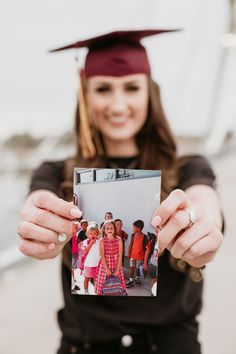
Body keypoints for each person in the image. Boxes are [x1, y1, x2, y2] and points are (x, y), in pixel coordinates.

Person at [18, 29, 224, 354]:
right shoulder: (57, 175)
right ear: (86, 96)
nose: (117, 104)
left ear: (150, 94)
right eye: (102, 89)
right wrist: (37, 223)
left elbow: (205, 200)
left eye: (131, 87)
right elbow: (36, 201)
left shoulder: (188, 169)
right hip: (85, 345)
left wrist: (203, 224)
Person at [95, 220, 126, 296]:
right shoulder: (102, 240)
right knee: (103, 284)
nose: (109, 230)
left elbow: (120, 254)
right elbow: (102, 255)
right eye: (107, 228)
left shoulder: (118, 239)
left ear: (114, 229)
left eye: (111, 228)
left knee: (116, 284)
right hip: (105, 265)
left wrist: (116, 269)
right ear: (104, 230)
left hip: (116, 264)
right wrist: (107, 270)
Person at [126, 220, 148, 287]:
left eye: (134, 227)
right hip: (132, 255)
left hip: (140, 257)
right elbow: (130, 244)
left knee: (138, 268)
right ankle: (130, 280)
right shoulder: (133, 235)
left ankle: (137, 278)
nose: (133, 228)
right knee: (131, 267)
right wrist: (129, 253)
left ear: (138, 228)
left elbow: (145, 249)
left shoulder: (144, 237)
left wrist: (144, 259)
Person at [81, 222, 100, 295]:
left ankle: (96, 290)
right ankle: (86, 291)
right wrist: (91, 243)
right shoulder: (86, 242)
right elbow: (85, 250)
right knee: (87, 278)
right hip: (89, 264)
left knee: (96, 279)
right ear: (88, 234)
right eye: (91, 233)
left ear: (97, 234)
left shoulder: (98, 242)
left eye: (95, 233)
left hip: (97, 264)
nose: (93, 235)